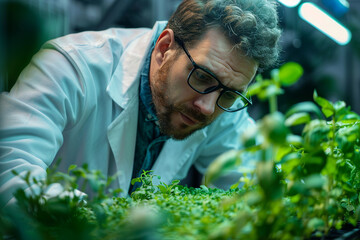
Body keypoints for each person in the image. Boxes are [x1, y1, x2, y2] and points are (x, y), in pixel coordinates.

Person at [0, 0, 281, 208]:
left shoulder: (223, 99)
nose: (208, 107)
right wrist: (92, 222)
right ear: (164, 48)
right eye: (202, 77)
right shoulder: (71, 67)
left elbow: (253, 191)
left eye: (230, 94)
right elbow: (10, 167)